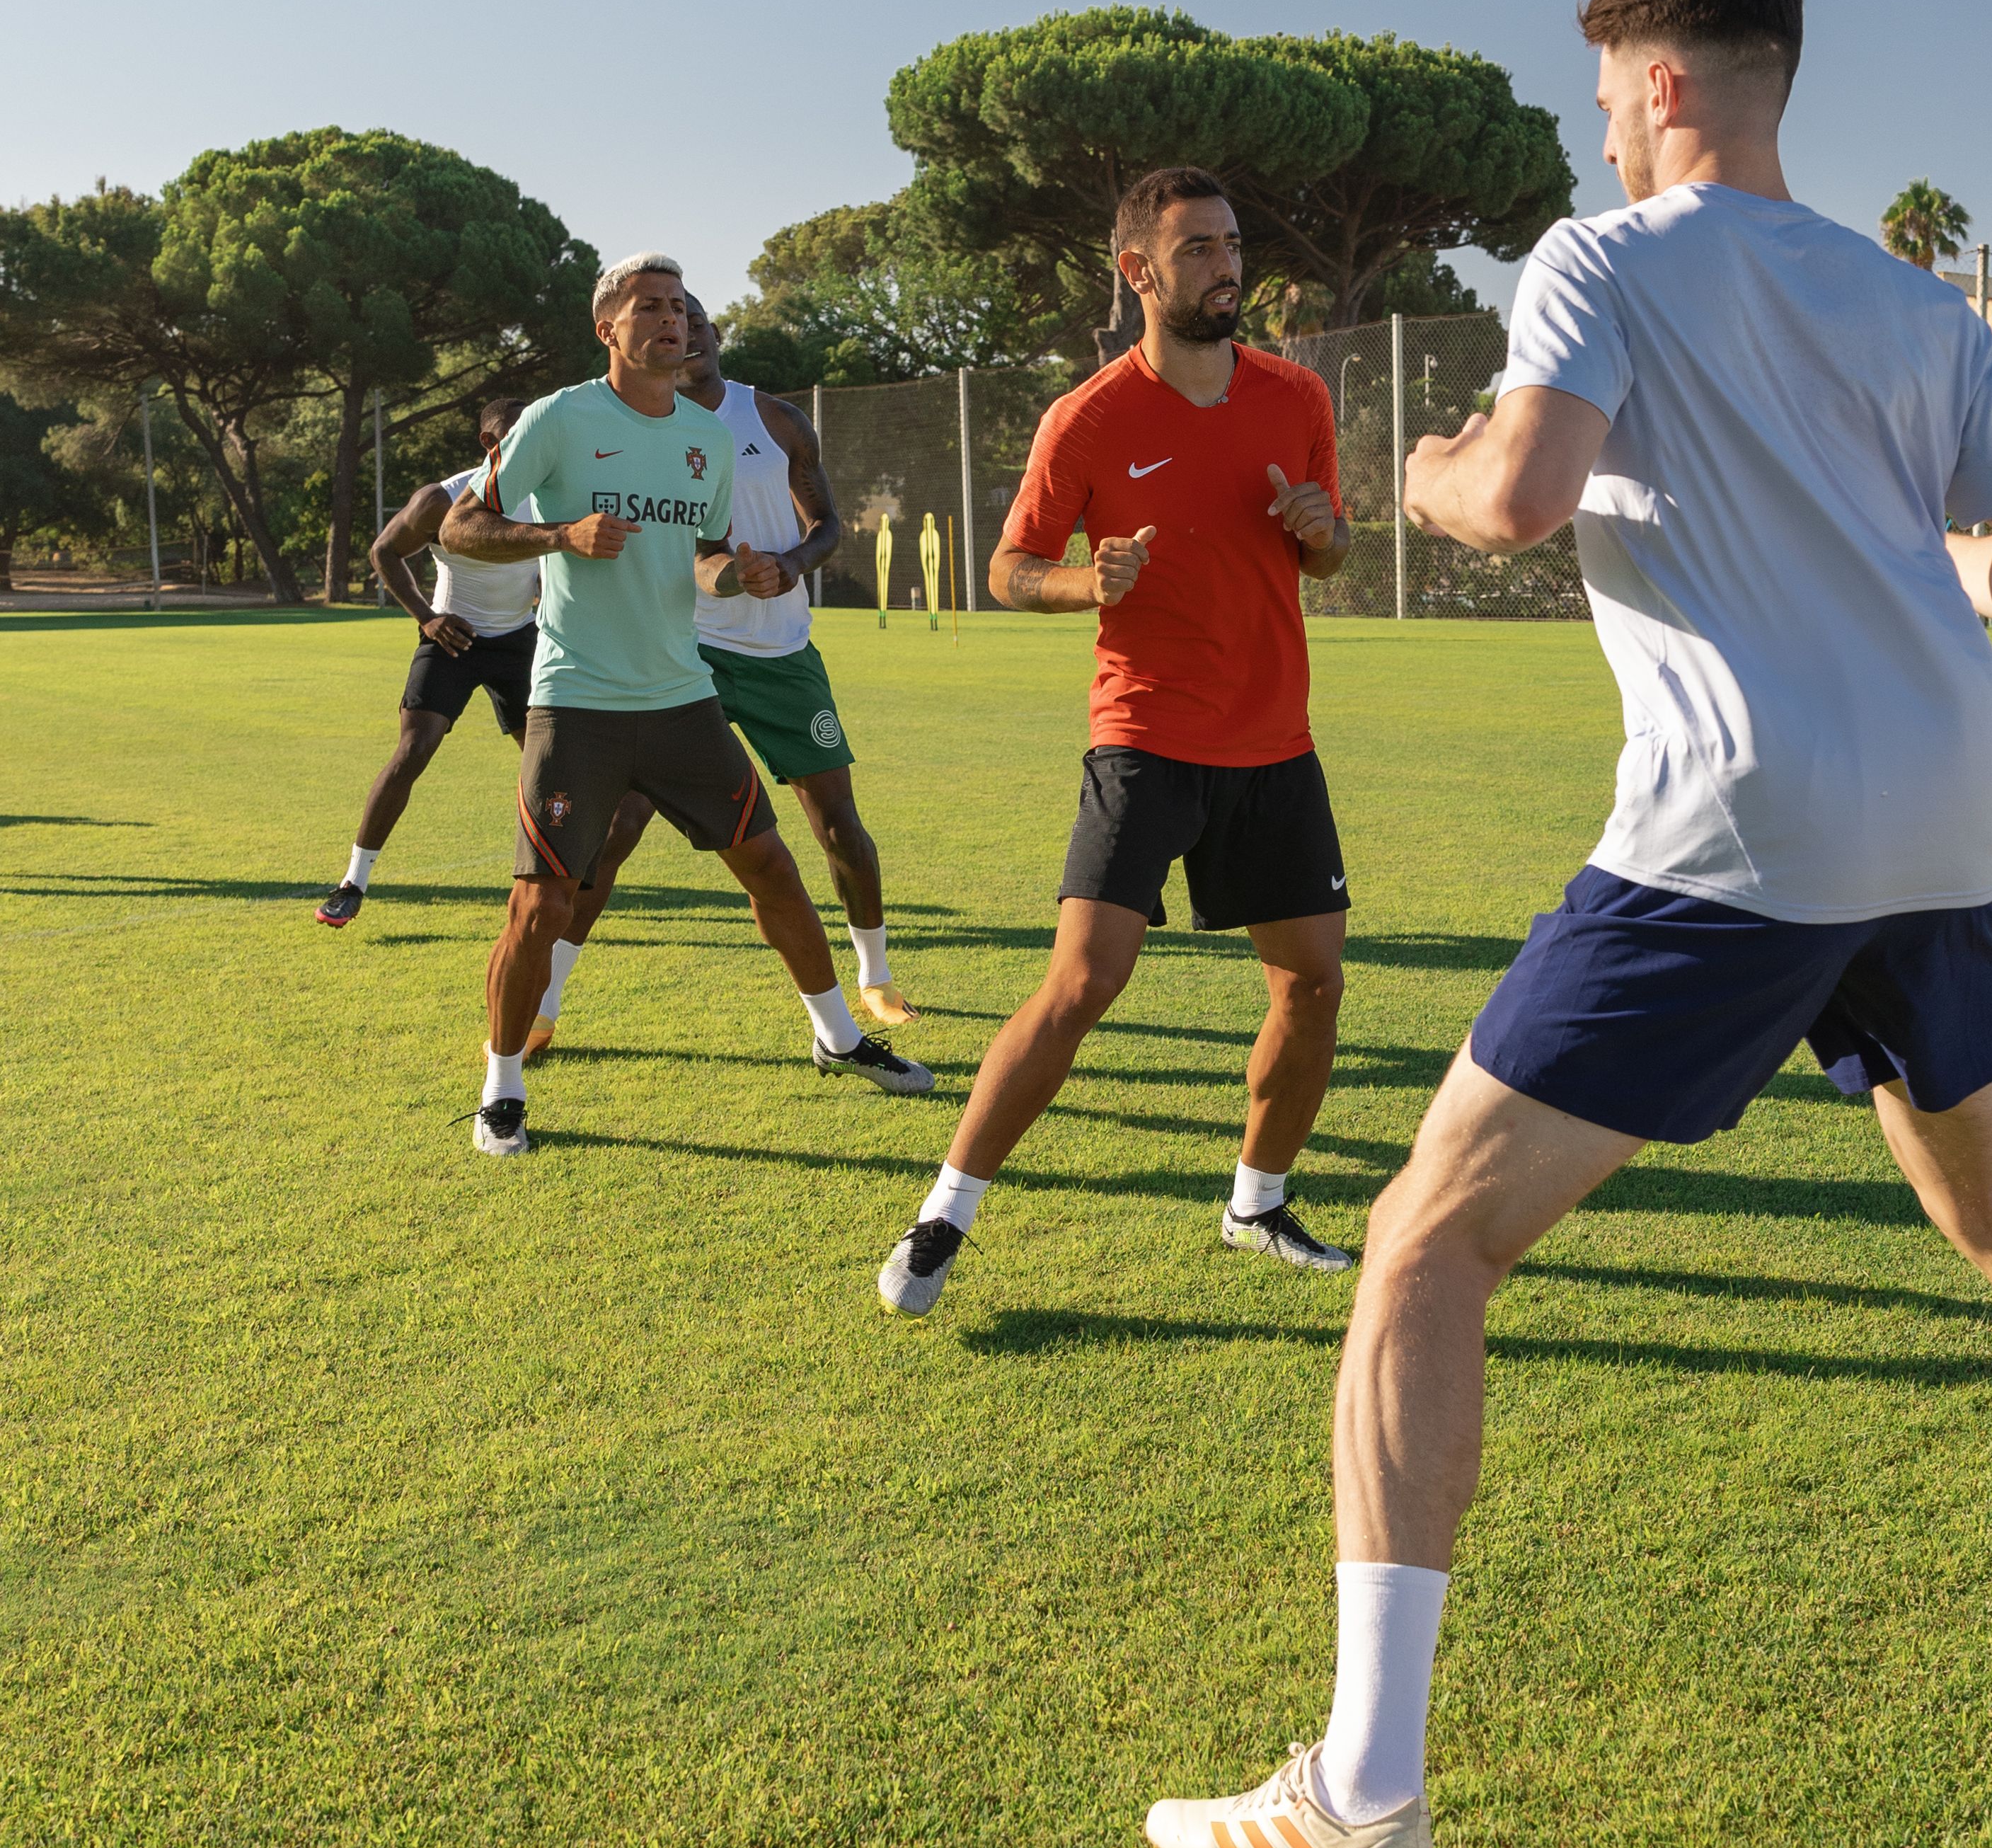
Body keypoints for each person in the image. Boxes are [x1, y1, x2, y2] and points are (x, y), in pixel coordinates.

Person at [1142, 0, 1992, 1848]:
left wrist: (1424, 470)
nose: (1599, 131)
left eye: (1606, 97)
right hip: (1937, 808)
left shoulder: (1604, 256)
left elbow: (1521, 496)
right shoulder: (1913, 300)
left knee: (1424, 1240)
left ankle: (1362, 1791)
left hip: (1745, 822)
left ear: (1664, 86)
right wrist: (1898, 549)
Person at [877, 164, 1357, 1316]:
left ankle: (1257, 1204)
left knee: (1312, 985)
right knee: (1083, 982)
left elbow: (1330, 552)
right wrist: (1083, 583)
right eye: (1198, 248)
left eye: (1232, 244)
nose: (1227, 266)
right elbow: (1009, 568)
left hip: (1274, 744)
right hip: (1144, 736)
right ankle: (944, 1216)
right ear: (1137, 270)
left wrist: (1323, 532)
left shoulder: (1296, 396)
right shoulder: (1088, 418)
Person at [439, 251, 933, 1158]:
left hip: (681, 700)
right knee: (541, 904)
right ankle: (501, 1089)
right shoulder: (559, 417)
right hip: (578, 703)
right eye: (650, 307)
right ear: (608, 328)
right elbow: (460, 524)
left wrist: (737, 573)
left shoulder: (704, 439)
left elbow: (700, 555)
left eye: (678, 305)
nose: (671, 319)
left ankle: (838, 1036)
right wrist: (559, 534)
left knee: (773, 868)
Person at [522, 296, 919, 1052]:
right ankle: (545, 1003)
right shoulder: (631, 427)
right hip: (681, 655)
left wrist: (790, 565)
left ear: (712, 333)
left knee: (837, 823)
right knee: (616, 830)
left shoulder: (775, 421)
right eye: (668, 322)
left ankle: (876, 977)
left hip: (780, 655)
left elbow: (827, 524)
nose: (685, 333)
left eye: (696, 321)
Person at [314, 396, 538, 936]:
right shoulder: (442, 500)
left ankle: (550, 879)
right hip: (454, 640)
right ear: (490, 443)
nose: (534, 445)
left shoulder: (552, 492)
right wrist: (428, 618)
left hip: (521, 643)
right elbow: (384, 552)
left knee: (546, 764)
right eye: (519, 435)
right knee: (413, 751)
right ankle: (352, 883)